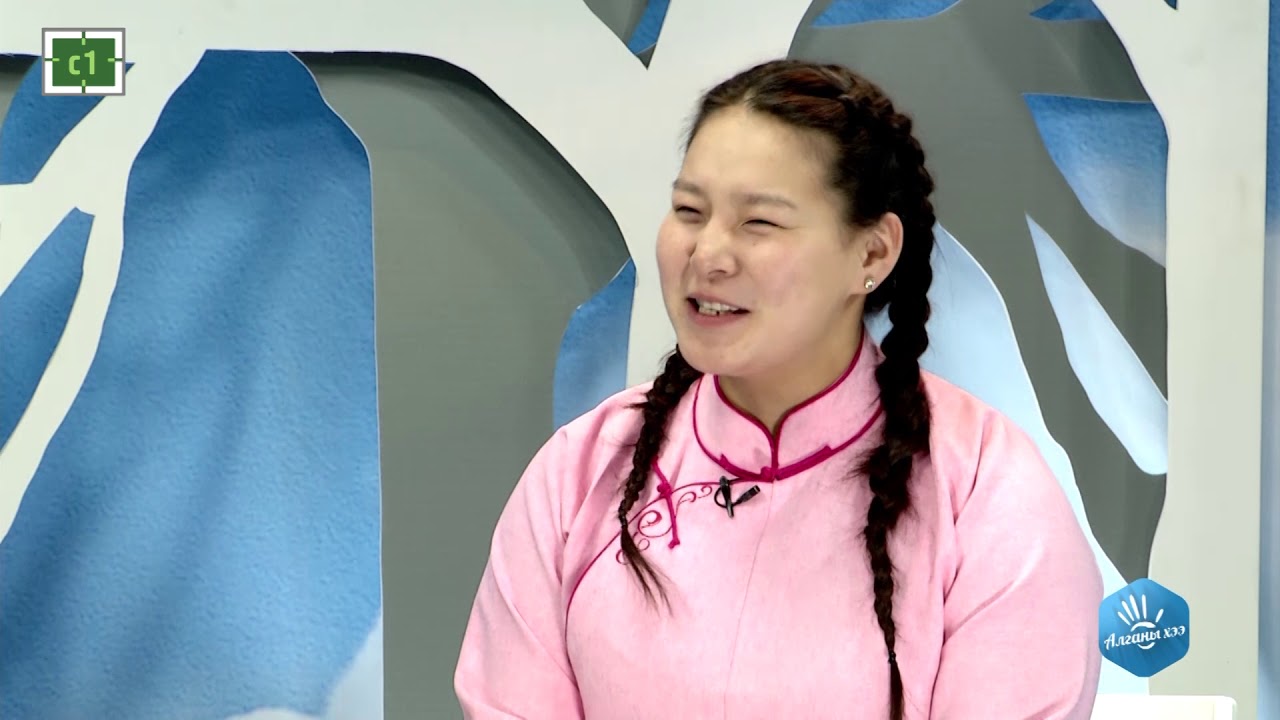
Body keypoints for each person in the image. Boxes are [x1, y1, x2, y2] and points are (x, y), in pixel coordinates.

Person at [453, 58, 1103, 719]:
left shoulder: (985, 490)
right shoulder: (579, 472)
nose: (708, 255)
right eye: (689, 211)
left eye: (758, 222)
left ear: (873, 253)